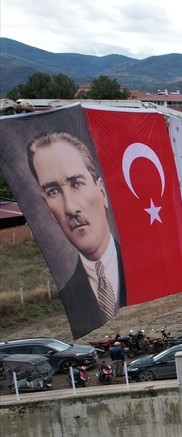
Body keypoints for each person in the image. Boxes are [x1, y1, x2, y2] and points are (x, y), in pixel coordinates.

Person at [28, 130, 125, 333]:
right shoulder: (70, 292)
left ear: (102, 191)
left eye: (77, 184)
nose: (70, 208)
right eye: (53, 191)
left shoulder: (143, 269)